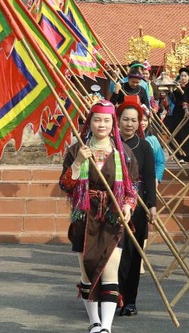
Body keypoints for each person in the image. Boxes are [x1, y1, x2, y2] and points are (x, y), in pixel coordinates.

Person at [60, 100, 137, 333]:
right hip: (85, 215)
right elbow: (65, 185)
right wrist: (79, 162)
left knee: (110, 270)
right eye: (97, 119)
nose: (101, 124)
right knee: (87, 270)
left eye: (106, 120)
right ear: (89, 122)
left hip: (113, 217)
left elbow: (132, 189)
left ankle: (106, 326)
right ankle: (93, 321)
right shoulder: (76, 150)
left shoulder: (124, 153)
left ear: (112, 123)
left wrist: (128, 207)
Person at [115, 100, 157, 317]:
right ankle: (111, 297)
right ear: (118, 120)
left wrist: (152, 206)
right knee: (113, 255)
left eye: (134, 120)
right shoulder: (109, 143)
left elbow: (149, 178)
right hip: (111, 206)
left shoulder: (145, 146)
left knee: (133, 255)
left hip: (137, 208)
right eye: (125, 119)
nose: (129, 124)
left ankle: (129, 300)